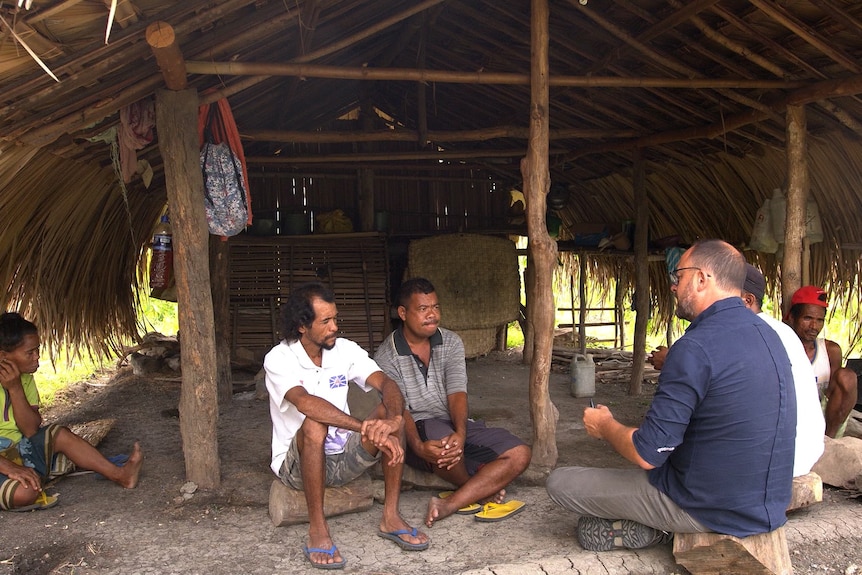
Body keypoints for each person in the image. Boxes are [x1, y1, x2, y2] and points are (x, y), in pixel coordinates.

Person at [546, 239, 796, 551]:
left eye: (679, 277)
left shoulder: (695, 348)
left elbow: (647, 454)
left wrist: (606, 426)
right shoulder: (770, 335)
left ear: (703, 279)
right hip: (770, 503)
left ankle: (664, 530)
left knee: (561, 483)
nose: (674, 286)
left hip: (713, 509)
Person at [264, 282, 429, 570]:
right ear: (302, 326)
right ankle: (318, 530)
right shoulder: (279, 359)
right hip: (297, 468)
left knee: (393, 416)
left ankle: (390, 516)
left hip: (345, 459)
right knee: (314, 424)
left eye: (335, 318)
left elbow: (386, 383)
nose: (334, 327)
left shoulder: (345, 350)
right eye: (325, 321)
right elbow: (306, 403)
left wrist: (391, 420)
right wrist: (364, 427)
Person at [374, 277, 532, 528]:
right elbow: (398, 410)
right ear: (403, 313)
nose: (432, 315)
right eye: (423, 309)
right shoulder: (386, 356)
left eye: (436, 307)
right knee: (444, 445)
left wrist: (461, 431)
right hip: (420, 429)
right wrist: (417, 446)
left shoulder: (450, 342)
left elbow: (457, 392)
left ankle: (450, 502)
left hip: (453, 424)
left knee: (520, 454)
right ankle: (481, 486)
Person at [0, 312, 143, 512]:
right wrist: (10, 468)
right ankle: (32, 474)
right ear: (3, 356)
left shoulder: (24, 379)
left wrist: (15, 388)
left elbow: (31, 430)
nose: (37, 357)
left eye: (38, 350)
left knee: (59, 435)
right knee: (26, 493)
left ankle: (121, 475)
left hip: (19, 449)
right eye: (30, 352)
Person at [741, 264, 824, 476]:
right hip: (802, 455)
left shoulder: (752, 333)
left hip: (779, 461)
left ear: (747, 300)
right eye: (808, 318)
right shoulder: (779, 332)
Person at [786, 285, 858, 438]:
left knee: (848, 377)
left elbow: (835, 395)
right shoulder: (781, 347)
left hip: (823, 421)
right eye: (807, 318)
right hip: (792, 418)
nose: (814, 326)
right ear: (792, 317)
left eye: (820, 320)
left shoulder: (830, 350)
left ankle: (829, 441)